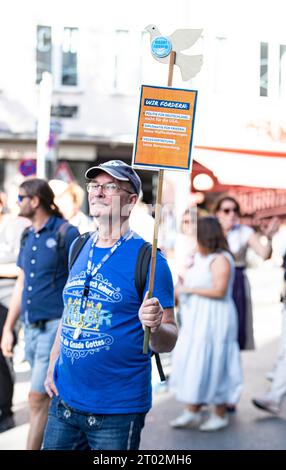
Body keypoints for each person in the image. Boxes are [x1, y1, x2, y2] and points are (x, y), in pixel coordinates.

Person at [42, 160, 177, 450]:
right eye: (94, 185)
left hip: (117, 411)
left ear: (130, 201)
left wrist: (154, 327)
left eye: (110, 187)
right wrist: (53, 360)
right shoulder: (78, 246)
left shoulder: (150, 260)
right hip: (64, 403)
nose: (97, 193)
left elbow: (169, 340)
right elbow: (70, 310)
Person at [1, 179, 79, 449]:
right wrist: (8, 329)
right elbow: (21, 284)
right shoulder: (28, 235)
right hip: (30, 327)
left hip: (56, 325)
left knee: (36, 397)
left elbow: (80, 283)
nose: (17, 202)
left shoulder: (66, 232)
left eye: (21, 197)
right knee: (47, 396)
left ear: (35, 201)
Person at [170, 216, 242, 431]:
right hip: (197, 318)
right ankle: (192, 409)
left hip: (215, 317)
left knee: (215, 360)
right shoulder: (199, 257)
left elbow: (219, 291)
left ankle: (219, 412)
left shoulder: (220, 258)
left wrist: (188, 290)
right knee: (195, 361)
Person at [214, 196, 277, 350]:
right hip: (214, 280)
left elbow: (264, 254)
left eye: (235, 210)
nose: (232, 214)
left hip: (236, 281)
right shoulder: (211, 231)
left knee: (236, 325)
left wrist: (269, 238)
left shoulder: (244, 232)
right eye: (227, 210)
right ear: (218, 213)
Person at [0, 191, 28, 433]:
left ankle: (5, 411)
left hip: (8, 301)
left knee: (3, 354)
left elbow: (24, 268)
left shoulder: (15, 227)